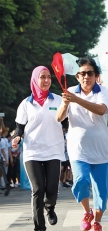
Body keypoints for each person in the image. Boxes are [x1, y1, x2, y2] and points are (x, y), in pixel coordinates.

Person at [56, 57, 108, 231]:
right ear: (77, 76)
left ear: (96, 76)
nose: (86, 76)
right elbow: (59, 118)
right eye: (82, 73)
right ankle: (87, 212)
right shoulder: (70, 91)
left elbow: (101, 109)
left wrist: (76, 100)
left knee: (101, 191)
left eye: (90, 73)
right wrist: (65, 103)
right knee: (80, 181)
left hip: (100, 149)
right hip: (78, 149)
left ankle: (97, 221)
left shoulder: (102, 91)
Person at [12, 66, 66, 230]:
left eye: (49, 77)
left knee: (51, 188)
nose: (46, 80)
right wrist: (16, 137)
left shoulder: (58, 100)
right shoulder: (26, 104)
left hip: (53, 150)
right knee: (38, 189)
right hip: (33, 151)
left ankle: (50, 208)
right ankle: (39, 227)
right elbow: (19, 127)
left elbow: (66, 123)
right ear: (35, 79)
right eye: (42, 77)